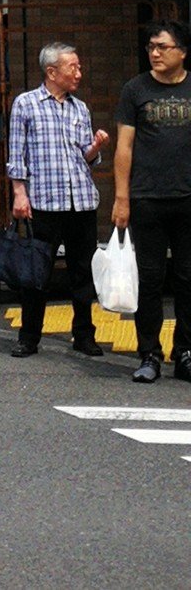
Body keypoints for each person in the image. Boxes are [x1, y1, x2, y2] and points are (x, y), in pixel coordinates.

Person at [5, 42, 109, 359]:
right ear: (52, 72)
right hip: (43, 202)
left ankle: (84, 335)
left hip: (81, 201)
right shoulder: (26, 104)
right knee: (37, 272)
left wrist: (95, 146)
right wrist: (19, 194)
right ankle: (29, 337)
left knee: (83, 271)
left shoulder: (80, 108)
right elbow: (16, 154)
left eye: (78, 67)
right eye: (72, 67)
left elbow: (87, 158)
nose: (79, 73)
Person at [113, 20, 191, 384]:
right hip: (147, 199)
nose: (155, 53)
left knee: (188, 280)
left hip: (188, 199)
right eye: (151, 48)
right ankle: (149, 354)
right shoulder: (135, 89)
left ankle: (186, 352)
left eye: (162, 47)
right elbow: (124, 148)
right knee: (150, 280)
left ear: (182, 51)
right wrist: (121, 198)